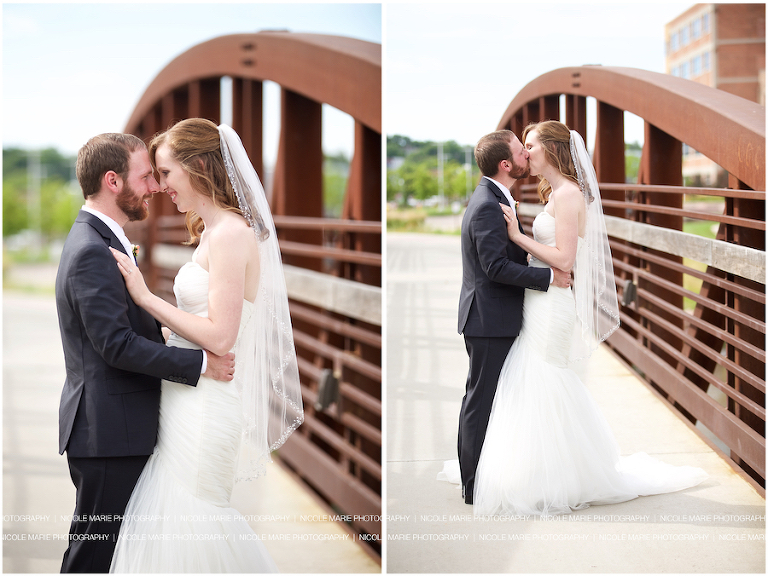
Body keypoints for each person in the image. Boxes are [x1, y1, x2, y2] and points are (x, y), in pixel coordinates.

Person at [471, 120, 707, 515]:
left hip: (552, 304)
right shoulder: (555, 191)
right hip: (541, 299)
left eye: (531, 145)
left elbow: (564, 259)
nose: (526, 154)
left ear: (551, 148)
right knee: (532, 378)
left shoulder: (567, 195)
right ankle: (538, 470)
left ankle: (559, 475)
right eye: (523, 148)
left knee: (543, 377)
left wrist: (518, 238)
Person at [108, 118, 304, 572]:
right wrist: (167, 334)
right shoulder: (214, 232)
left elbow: (220, 336)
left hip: (206, 405)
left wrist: (146, 299)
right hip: (184, 399)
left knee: (194, 519)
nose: (160, 186)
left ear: (198, 166)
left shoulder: (232, 234)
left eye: (166, 173)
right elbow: (199, 324)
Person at [56, 133, 236, 573]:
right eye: (145, 176)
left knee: (114, 554)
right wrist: (200, 364)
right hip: (108, 435)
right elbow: (115, 345)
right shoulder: (92, 251)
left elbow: (120, 329)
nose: (155, 186)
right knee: (93, 556)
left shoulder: (103, 240)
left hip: (115, 429)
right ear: (113, 181)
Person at [449, 129, 571, 505]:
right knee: (480, 400)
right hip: (488, 320)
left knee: (488, 398)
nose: (527, 156)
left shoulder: (496, 197)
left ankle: (484, 474)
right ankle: (472, 485)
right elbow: (495, 267)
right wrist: (550, 277)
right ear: (506, 164)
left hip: (495, 316)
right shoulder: (488, 203)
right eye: (522, 151)